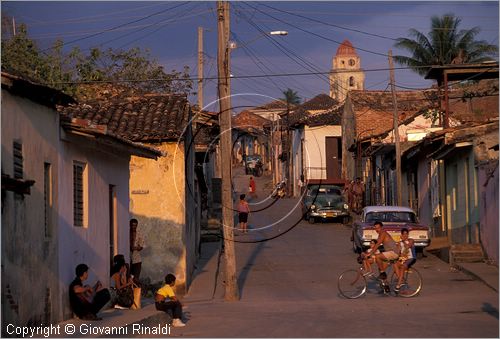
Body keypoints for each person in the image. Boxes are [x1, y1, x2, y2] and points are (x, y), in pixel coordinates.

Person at [130, 218, 144, 284]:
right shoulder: (127, 233)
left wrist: (134, 248)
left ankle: (136, 293)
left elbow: (141, 246)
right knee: (129, 279)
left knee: (136, 279)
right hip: (129, 259)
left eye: (135, 225)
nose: (134, 227)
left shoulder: (139, 234)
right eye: (132, 225)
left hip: (137, 259)